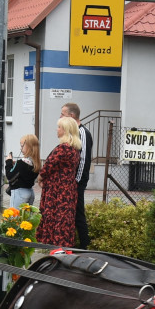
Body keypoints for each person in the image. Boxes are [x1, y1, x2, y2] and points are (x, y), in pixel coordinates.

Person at [36, 117, 82, 246]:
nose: (57, 129)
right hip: (68, 188)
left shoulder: (63, 148)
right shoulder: (74, 149)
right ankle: (64, 245)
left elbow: (48, 166)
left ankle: (52, 244)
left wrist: (40, 177)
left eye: (59, 127)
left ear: (65, 130)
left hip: (57, 190)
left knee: (54, 216)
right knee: (65, 218)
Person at [61, 102, 93, 248]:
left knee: (78, 214)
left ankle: (85, 246)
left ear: (72, 116)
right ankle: (70, 244)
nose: (60, 117)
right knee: (69, 214)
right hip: (69, 182)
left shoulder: (82, 133)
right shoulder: (71, 133)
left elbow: (84, 159)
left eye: (63, 114)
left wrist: (76, 182)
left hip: (77, 182)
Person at [4, 135, 40, 208]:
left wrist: (8, 162)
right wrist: (15, 165)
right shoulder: (35, 163)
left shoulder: (22, 162)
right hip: (30, 192)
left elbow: (10, 176)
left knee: (14, 215)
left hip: (19, 193)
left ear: (29, 147)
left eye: (22, 146)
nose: (20, 148)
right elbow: (23, 173)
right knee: (26, 215)